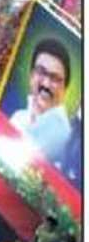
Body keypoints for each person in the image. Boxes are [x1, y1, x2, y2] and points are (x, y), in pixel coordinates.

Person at [10, 38, 83, 178]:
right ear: (31, 75)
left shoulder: (65, 137)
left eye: (55, 79)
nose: (46, 84)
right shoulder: (18, 117)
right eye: (41, 72)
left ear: (65, 89)